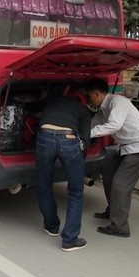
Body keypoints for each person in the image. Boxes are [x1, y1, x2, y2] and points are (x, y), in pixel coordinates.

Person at [88, 77, 139, 238]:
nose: (89, 99)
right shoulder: (104, 108)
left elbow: (114, 125)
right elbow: (94, 124)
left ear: (96, 94)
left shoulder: (118, 102)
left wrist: (88, 133)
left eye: (89, 95)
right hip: (126, 147)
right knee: (107, 170)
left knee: (120, 185)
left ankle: (120, 226)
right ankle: (113, 210)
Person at [35, 87, 91, 252]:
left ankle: (51, 226)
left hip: (44, 136)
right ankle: (70, 239)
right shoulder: (83, 110)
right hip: (69, 139)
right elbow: (86, 139)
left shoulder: (50, 103)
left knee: (44, 184)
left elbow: (31, 107)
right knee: (75, 191)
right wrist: (80, 158)